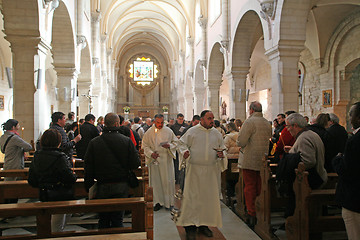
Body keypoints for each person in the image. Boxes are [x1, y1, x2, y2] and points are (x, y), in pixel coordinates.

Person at [176, 110, 227, 240]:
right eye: (209, 118)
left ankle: (204, 225)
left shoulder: (216, 133)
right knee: (192, 200)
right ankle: (190, 228)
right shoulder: (192, 131)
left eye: (213, 118)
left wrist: (222, 155)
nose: (212, 121)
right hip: (194, 171)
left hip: (211, 172)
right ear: (202, 119)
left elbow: (223, 148)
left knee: (207, 200)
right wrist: (185, 152)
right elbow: (181, 144)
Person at [84, 113, 140, 228]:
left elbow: (88, 166)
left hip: (102, 184)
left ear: (104, 124)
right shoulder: (126, 141)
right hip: (121, 184)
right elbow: (135, 163)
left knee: (103, 219)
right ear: (116, 124)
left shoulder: (94, 142)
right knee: (118, 218)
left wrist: (88, 185)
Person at [28, 129, 76, 232]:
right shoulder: (60, 157)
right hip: (59, 194)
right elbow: (68, 178)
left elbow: (32, 179)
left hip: (43, 193)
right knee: (57, 226)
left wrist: (42, 183)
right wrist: (74, 176)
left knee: (47, 224)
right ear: (58, 142)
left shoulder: (37, 155)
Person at [283, 113, 328, 218]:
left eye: (288, 126)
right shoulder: (310, 134)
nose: (287, 129)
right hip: (318, 174)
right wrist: (293, 151)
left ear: (295, 126)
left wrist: (291, 160)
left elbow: (308, 161)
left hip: (311, 179)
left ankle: (296, 222)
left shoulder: (304, 138)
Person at [237, 101, 272, 227]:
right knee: (260, 186)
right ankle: (260, 210)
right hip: (263, 159)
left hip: (250, 159)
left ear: (251, 110)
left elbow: (241, 142)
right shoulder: (267, 123)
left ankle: (251, 214)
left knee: (250, 186)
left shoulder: (249, 122)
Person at [332, 102, 360, 240]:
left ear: (359, 118)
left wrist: (337, 160)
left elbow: (347, 171)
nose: (350, 118)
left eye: (351, 114)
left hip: (354, 197)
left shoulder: (355, 140)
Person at [142, 114, 178, 211]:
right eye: (158, 122)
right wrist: (151, 153)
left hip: (166, 161)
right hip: (155, 161)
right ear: (154, 122)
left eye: (162, 122)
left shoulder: (168, 131)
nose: (160, 124)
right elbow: (144, 146)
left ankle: (168, 203)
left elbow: (176, 143)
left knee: (167, 181)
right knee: (156, 183)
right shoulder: (149, 133)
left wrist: (169, 145)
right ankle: (157, 202)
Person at [170, 113, 189, 184]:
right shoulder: (173, 127)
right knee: (176, 162)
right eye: (179, 119)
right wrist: (175, 137)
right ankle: (177, 178)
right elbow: (171, 136)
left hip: (183, 146)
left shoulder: (186, 126)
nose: (181, 120)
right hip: (176, 147)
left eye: (182, 119)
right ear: (177, 119)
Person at [224, 122, 240, 201]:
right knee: (238, 177)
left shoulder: (228, 137)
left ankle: (230, 195)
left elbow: (225, 148)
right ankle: (238, 194)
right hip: (239, 158)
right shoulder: (240, 135)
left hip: (230, 159)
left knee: (230, 178)